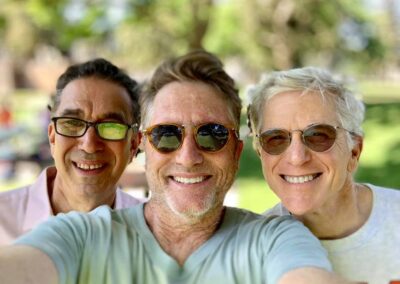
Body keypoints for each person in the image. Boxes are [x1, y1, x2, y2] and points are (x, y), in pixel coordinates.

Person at [0, 51, 351, 284]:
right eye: (167, 134)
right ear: (144, 147)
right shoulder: (81, 234)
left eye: (211, 134)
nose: (188, 155)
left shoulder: (275, 239)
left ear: (236, 150)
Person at [247, 66, 400, 284]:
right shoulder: (250, 254)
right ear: (261, 153)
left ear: (354, 151)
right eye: (276, 139)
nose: (297, 157)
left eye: (318, 135)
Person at [0, 58, 143, 245]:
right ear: (52, 137)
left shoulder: (153, 235)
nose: (89, 145)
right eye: (72, 123)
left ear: (133, 145)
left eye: (110, 127)